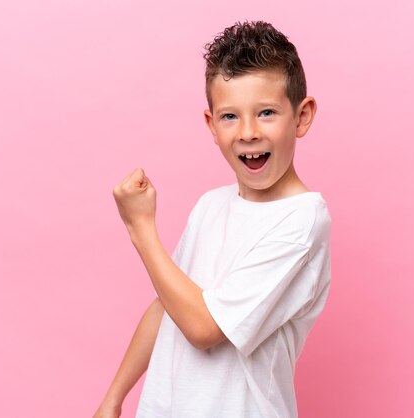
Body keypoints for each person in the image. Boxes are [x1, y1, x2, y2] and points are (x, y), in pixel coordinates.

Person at [94, 20, 332, 418]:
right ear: (211, 125)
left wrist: (140, 228)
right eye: (229, 117)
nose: (248, 132)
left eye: (267, 112)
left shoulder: (302, 222)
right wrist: (114, 397)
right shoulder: (211, 205)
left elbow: (204, 328)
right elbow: (166, 306)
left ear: (302, 116)